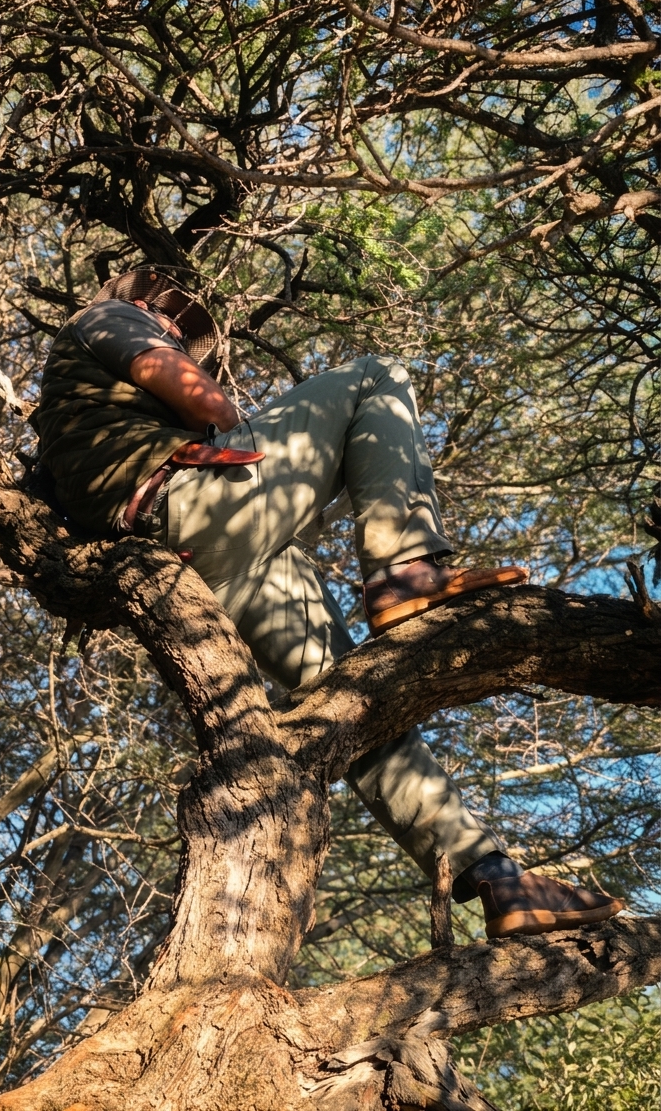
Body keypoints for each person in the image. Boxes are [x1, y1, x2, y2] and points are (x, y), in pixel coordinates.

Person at [36, 267, 623, 939]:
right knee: (377, 375)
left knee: (360, 703)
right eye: (169, 310)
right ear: (132, 298)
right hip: (196, 508)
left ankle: (496, 879)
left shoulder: (70, 419)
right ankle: (405, 571)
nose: (177, 326)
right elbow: (208, 405)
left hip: (203, 562)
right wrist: (214, 405)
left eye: (188, 327)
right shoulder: (102, 320)